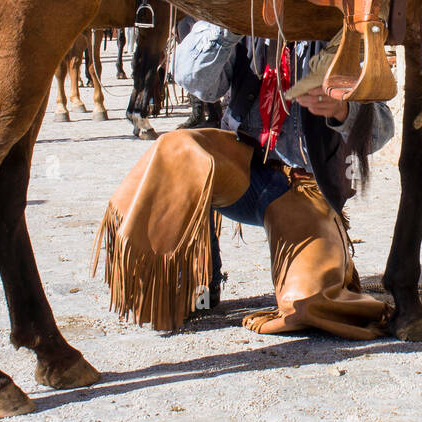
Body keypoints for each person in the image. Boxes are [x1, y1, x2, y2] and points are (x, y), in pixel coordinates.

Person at [92, 21, 394, 339]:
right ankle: (190, 280)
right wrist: (229, 23)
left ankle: (318, 268)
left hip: (304, 188)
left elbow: (382, 129)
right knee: (179, 148)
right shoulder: (242, 14)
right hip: (241, 169)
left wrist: (343, 111)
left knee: (311, 306)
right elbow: (194, 81)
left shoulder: (347, 32)